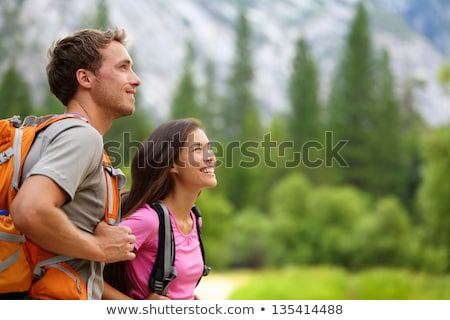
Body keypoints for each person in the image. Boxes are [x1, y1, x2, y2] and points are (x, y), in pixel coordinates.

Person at [10, 28, 140, 299]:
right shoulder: (82, 136)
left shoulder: (49, 133)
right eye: (123, 68)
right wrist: (99, 248)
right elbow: (30, 209)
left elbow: (74, 266)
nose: (135, 80)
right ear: (85, 78)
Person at [102, 118, 217, 300]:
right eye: (197, 149)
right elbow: (85, 271)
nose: (210, 157)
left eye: (209, 148)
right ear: (172, 164)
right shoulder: (148, 221)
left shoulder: (195, 218)